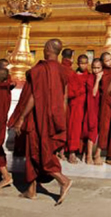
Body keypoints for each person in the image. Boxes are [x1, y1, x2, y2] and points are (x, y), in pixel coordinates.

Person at [12, 38, 72, 204]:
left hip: (38, 116)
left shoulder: (39, 69)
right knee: (34, 152)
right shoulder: (63, 71)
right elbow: (65, 97)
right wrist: (61, 119)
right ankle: (31, 191)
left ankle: (63, 180)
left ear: (47, 49)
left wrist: (21, 117)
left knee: (38, 152)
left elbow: (33, 96)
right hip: (55, 117)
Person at [94, 52, 111, 165]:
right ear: (102, 62)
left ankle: (110, 156)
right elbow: (104, 90)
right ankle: (97, 154)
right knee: (104, 128)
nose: (110, 62)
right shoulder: (102, 74)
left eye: (110, 59)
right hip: (105, 104)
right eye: (107, 60)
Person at [67, 54, 89, 163]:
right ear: (78, 63)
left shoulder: (89, 76)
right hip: (75, 106)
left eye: (85, 63)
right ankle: (72, 152)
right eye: (81, 63)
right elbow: (70, 92)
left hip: (87, 106)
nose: (83, 65)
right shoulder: (73, 75)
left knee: (85, 130)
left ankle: (84, 152)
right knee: (74, 129)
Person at [84, 58, 102, 164]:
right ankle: (89, 155)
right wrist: (97, 80)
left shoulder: (104, 76)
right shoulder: (91, 78)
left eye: (98, 68)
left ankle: (97, 154)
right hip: (92, 107)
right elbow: (93, 93)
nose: (96, 70)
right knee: (92, 130)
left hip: (101, 106)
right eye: (94, 68)